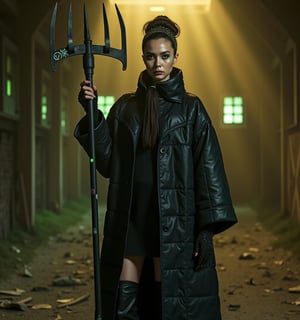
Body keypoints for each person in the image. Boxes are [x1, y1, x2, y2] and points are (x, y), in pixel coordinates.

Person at [75, 15, 237, 320]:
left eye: (164, 56)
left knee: (170, 297)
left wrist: (206, 229)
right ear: (143, 58)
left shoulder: (191, 108)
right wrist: (93, 113)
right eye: (151, 57)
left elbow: (209, 168)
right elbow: (107, 162)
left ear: (176, 57)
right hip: (132, 216)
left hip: (173, 218)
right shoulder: (125, 106)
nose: (157, 64)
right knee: (123, 296)